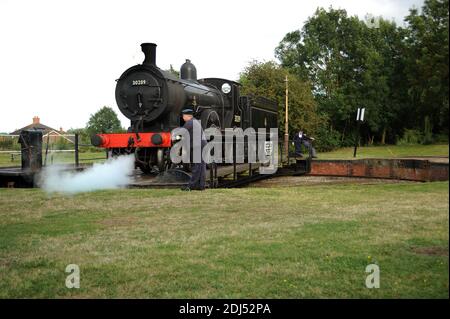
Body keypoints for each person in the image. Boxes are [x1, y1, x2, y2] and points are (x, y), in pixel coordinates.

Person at [180, 106, 207, 191]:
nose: (183, 117)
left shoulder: (189, 123)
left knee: (196, 166)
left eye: (183, 116)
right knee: (201, 166)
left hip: (197, 146)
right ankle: (201, 185)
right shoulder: (195, 122)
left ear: (188, 116)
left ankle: (191, 186)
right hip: (202, 144)